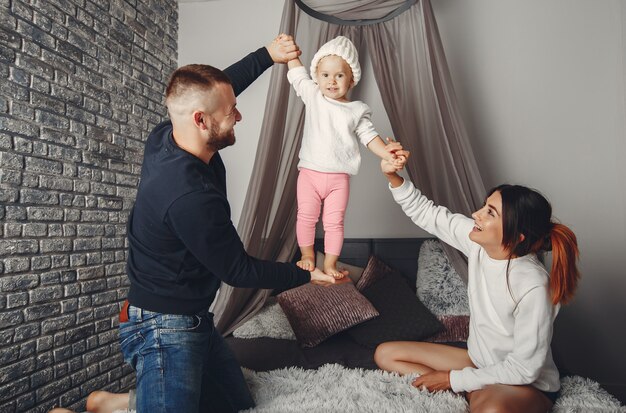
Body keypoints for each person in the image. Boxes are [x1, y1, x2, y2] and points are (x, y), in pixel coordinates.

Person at [119, 34, 337, 413]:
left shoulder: (167, 135)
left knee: (235, 403)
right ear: (201, 120)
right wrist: (307, 275)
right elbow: (238, 270)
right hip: (163, 327)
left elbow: (220, 86)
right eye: (231, 111)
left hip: (194, 316)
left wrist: (268, 55)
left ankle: (118, 403)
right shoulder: (188, 196)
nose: (239, 115)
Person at [374, 156, 580, 413]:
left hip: (527, 384)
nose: (476, 214)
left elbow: (525, 369)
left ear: (517, 236)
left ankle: (475, 391)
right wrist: (393, 177)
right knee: (385, 354)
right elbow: (429, 214)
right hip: (479, 362)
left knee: (491, 409)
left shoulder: (534, 285)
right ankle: (474, 389)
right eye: (484, 206)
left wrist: (452, 379)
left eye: (490, 213)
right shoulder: (477, 243)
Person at [286, 36, 406, 277]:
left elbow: (370, 137)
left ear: (351, 80)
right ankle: (307, 255)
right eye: (325, 75)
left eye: (339, 75)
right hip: (310, 173)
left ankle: (330, 263)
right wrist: (290, 52)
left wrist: (387, 152)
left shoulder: (356, 110)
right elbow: (298, 74)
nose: (332, 81)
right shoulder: (313, 97)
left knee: (334, 223)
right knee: (306, 216)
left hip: (339, 179)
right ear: (317, 77)